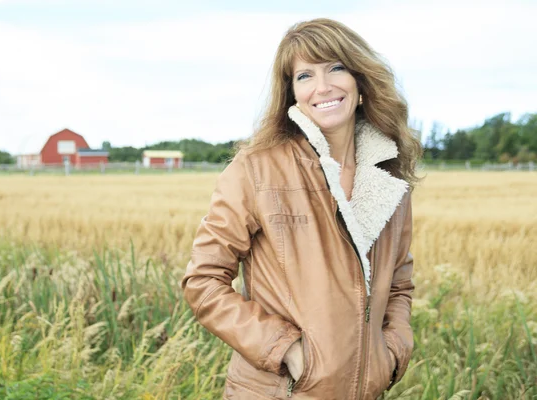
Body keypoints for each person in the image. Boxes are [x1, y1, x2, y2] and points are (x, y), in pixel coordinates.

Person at [181, 18, 422, 400]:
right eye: (305, 75)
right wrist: (285, 349)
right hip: (280, 392)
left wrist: (391, 350)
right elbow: (203, 281)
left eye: (336, 68)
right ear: (292, 92)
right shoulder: (256, 168)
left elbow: (399, 282)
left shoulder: (386, 176)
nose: (322, 86)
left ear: (360, 82)